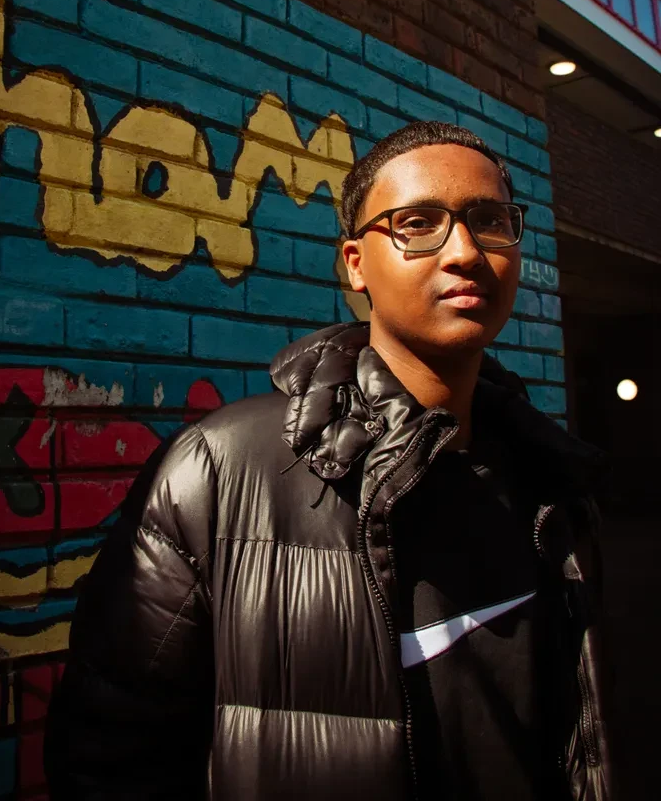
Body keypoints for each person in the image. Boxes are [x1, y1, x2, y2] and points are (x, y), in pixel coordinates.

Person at [45, 120, 613, 800]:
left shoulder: (554, 488)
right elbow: (107, 759)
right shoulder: (219, 472)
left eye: (489, 220)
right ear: (355, 264)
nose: (464, 251)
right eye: (417, 223)